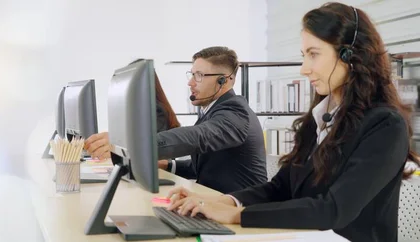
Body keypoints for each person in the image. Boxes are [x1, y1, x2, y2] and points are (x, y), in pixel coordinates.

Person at [165, 3, 420, 242]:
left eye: (314, 55)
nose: (304, 68)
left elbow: (333, 210)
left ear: (349, 55)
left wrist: (237, 216)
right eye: (303, 55)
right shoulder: (320, 118)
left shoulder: (385, 125)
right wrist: (226, 203)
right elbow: (281, 187)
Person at [85, 48, 267, 194]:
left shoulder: (236, 113)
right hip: (213, 205)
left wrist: (132, 145)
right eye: (192, 74)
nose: (191, 83)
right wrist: (168, 164)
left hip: (239, 215)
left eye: (200, 76)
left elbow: (197, 137)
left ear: (225, 81)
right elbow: (209, 166)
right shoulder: (212, 111)